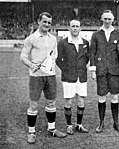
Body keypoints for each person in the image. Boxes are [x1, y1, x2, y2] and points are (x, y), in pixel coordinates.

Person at [20, 12, 67, 144]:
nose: (47, 24)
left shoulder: (53, 39)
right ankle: (31, 132)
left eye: (49, 23)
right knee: (34, 104)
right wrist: (31, 64)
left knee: (51, 102)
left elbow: (55, 55)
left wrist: (49, 65)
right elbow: (23, 56)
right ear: (38, 22)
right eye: (44, 22)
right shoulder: (31, 38)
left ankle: (51, 129)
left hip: (50, 76)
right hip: (36, 77)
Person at [90, 10, 119, 133]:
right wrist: (93, 69)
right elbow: (92, 52)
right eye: (105, 19)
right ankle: (101, 123)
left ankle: (116, 123)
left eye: (109, 19)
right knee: (101, 96)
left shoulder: (118, 33)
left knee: (114, 97)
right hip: (101, 69)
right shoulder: (96, 34)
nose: (107, 21)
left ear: (113, 20)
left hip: (115, 70)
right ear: (101, 19)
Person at [56, 19, 89, 135]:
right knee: (68, 101)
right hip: (68, 77)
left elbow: (86, 58)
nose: (75, 28)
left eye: (77, 26)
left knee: (81, 100)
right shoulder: (63, 43)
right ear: (69, 28)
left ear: (80, 28)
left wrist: (80, 68)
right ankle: (69, 125)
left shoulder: (85, 42)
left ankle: (79, 125)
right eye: (73, 26)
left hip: (82, 76)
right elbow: (58, 60)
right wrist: (67, 70)